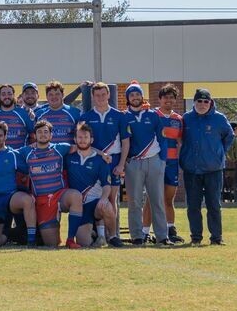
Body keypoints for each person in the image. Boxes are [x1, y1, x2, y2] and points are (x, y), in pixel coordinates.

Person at [115, 82, 171, 246]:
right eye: (131, 95)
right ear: (127, 98)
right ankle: (137, 236)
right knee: (134, 202)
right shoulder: (124, 117)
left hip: (154, 161)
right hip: (134, 162)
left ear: (142, 96)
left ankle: (162, 236)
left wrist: (162, 161)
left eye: (137, 94)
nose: (135, 97)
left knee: (157, 200)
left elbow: (162, 138)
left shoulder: (153, 115)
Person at [17, 120, 84, 248]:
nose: (43, 134)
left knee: (75, 196)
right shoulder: (26, 152)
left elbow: (83, 146)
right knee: (51, 244)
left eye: (46, 132)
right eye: (39, 132)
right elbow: (6, 152)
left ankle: (70, 240)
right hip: (42, 200)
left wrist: (102, 154)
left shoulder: (60, 148)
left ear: (51, 135)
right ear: (34, 136)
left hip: (60, 195)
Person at [180, 88, 234, 245]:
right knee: (193, 206)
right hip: (191, 169)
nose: (202, 104)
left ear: (210, 103)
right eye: (199, 101)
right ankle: (196, 237)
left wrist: (219, 153)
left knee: (214, 205)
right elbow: (179, 139)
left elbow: (229, 136)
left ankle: (216, 238)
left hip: (213, 170)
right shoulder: (186, 119)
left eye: (205, 101)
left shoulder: (220, 119)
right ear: (194, 102)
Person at [0, 121, 36, 247]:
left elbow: (30, 172)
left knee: (27, 200)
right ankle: (13, 232)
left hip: (9, 198)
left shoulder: (14, 155)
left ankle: (31, 239)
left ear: (5, 136)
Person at [78, 82, 124, 238]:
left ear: (109, 95)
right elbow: (82, 141)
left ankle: (114, 235)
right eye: (97, 95)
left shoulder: (119, 116)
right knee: (98, 198)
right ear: (92, 96)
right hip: (95, 161)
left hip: (115, 160)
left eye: (103, 94)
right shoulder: (86, 117)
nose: (101, 98)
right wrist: (100, 154)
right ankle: (101, 236)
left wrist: (121, 164)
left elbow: (126, 142)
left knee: (112, 198)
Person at [65, 122, 119, 247]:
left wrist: (104, 198)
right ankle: (94, 233)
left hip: (94, 203)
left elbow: (106, 185)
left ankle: (112, 237)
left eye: (86, 137)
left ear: (91, 139)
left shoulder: (100, 160)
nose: (82, 140)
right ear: (74, 139)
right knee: (84, 243)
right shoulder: (69, 157)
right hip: (77, 207)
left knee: (106, 206)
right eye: (79, 137)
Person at [143, 84, 185, 243]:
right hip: (155, 161)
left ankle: (170, 230)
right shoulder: (152, 114)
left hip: (172, 163)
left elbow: (180, 141)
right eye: (165, 97)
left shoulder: (179, 119)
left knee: (168, 199)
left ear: (175, 100)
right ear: (160, 99)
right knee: (151, 199)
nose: (168, 100)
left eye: (171, 97)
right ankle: (145, 232)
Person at [0, 84, 35, 150]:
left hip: (20, 155)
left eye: (9, 94)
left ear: (13, 96)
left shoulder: (23, 113)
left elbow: (32, 133)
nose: (7, 96)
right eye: (3, 94)